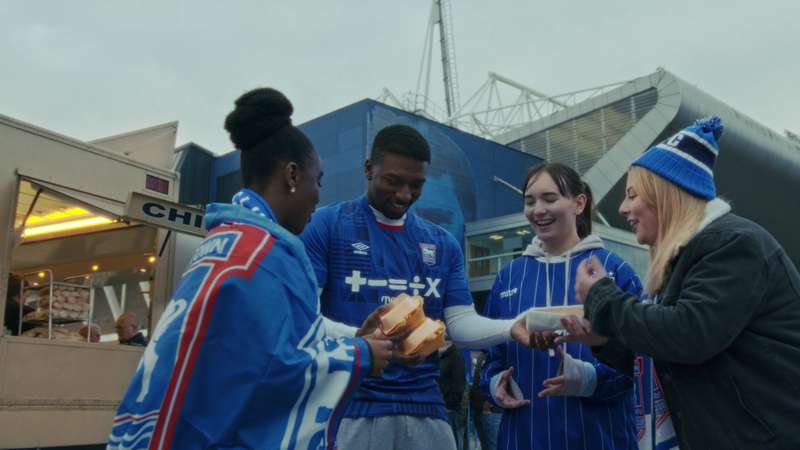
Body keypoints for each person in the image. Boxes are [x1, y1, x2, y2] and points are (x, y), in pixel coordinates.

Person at [108, 88, 393, 450]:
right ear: (292, 175)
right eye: (318, 180)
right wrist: (361, 356)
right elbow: (269, 373)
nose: (319, 195)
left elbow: (254, 346)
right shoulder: (269, 254)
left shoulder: (224, 243)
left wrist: (354, 336)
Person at [564, 117, 800, 449]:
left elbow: (689, 335)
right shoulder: (688, 256)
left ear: (665, 195)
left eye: (632, 195)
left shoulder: (733, 244)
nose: (623, 207)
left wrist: (603, 297)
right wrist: (604, 340)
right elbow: (667, 359)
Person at [300, 124, 531, 450]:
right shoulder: (328, 226)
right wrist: (361, 340)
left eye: (416, 184)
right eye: (393, 181)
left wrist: (510, 328)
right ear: (368, 169)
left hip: (428, 409)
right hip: (350, 407)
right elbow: (301, 318)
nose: (405, 195)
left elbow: (460, 324)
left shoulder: (442, 243)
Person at [480, 163, 643, 450]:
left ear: (579, 203)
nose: (538, 210)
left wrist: (586, 379)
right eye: (530, 201)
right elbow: (492, 356)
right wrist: (495, 384)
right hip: (523, 438)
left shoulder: (615, 270)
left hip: (600, 438)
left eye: (550, 199)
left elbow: (640, 364)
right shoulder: (508, 277)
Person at [438, 337, 467, 449]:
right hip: (441, 408)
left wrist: (449, 403)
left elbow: (459, 385)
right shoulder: (440, 356)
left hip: (450, 410)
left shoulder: (455, 356)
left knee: (452, 443)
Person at [469, 351, 501, 450]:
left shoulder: (499, 354)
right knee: (485, 446)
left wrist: (490, 403)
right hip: (478, 410)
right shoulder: (483, 354)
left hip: (492, 411)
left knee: (494, 446)